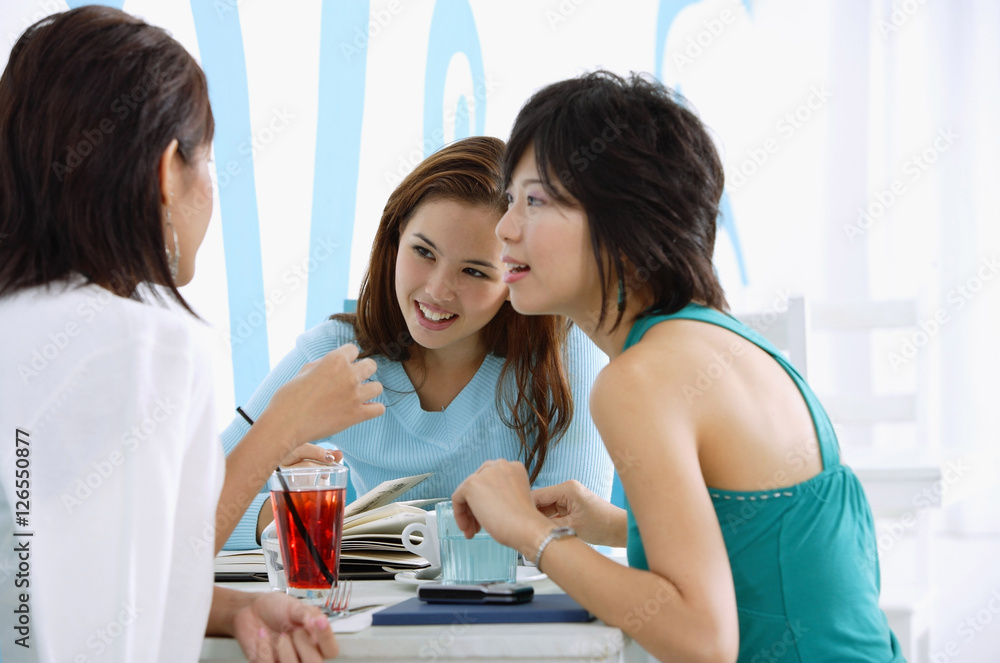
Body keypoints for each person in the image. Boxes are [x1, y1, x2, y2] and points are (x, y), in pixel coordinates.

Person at [451, 71, 905, 662]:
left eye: (535, 201)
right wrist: (617, 527)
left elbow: (701, 640)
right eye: (510, 200)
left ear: (625, 222)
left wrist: (529, 532)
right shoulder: (717, 341)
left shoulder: (640, 378)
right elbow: (769, 542)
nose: (505, 227)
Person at [0, 6, 380, 661]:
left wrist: (231, 607)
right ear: (167, 169)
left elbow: (42, 588)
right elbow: (129, 607)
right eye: (208, 159)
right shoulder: (146, 341)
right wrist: (280, 428)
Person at [221, 136, 613, 550]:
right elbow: (188, 509)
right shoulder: (335, 353)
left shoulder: (564, 351)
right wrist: (299, 510)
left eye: (476, 272)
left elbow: (578, 541)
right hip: (372, 610)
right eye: (424, 252)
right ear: (395, 238)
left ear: (516, 274)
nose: (438, 290)